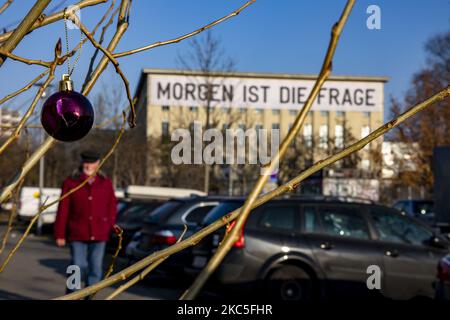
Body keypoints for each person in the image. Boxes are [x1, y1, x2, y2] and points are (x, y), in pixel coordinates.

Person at [54, 150, 117, 292]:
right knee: (77, 266)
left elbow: (112, 205)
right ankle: (72, 295)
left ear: (98, 163)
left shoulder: (105, 182)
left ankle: (91, 296)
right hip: (77, 232)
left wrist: (109, 224)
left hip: (100, 233)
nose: (89, 166)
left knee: (95, 269)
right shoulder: (71, 182)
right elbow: (63, 209)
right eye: (86, 162)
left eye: (92, 163)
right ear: (82, 163)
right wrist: (60, 234)